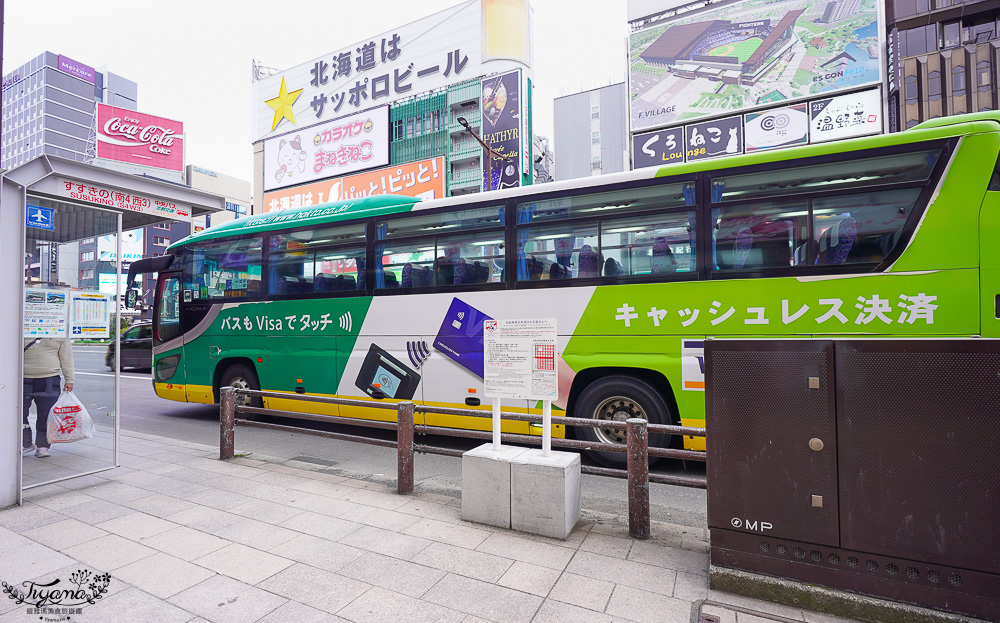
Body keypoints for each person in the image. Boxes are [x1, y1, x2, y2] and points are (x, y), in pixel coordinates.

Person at [23, 337, 75, 458]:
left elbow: (66, 357)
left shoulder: (60, 331)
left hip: (49, 379)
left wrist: (69, 379)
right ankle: (25, 443)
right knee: (18, 413)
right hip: (21, 378)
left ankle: (42, 446)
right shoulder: (20, 326)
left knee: (45, 415)